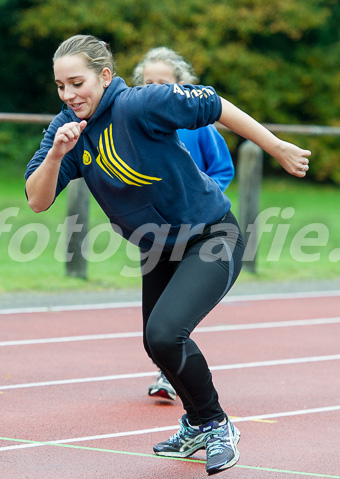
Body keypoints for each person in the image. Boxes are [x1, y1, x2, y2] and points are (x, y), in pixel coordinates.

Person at [25, 35, 310, 474]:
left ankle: (216, 425)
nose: (69, 95)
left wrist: (276, 146)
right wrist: (57, 155)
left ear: (105, 76)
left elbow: (214, 105)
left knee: (164, 334)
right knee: (155, 344)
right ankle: (197, 424)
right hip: (157, 246)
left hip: (211, 235)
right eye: (60, 86)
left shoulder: (141, 103)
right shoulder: (65, 129)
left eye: (77, 82)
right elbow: (37, 200)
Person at [133, 46, 235, 402]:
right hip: (157, 236)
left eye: (163, 82)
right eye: (148, 83)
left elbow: (223, 169)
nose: (155, 89)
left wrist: (200, 197)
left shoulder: (199, 125)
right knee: (152, 328)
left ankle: (176, 382)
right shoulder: (137, 125)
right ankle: (169, 370)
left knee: (170, 324)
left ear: (182, 85)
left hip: (200, 230)